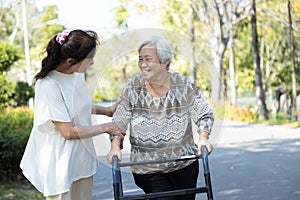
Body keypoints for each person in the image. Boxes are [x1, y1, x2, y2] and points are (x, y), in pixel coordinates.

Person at [20, 29, 125, 200]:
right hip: (62, 168)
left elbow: (77, 105)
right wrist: (105, 127)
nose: (92, 63)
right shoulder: (49, 85)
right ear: (71, 61)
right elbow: (67, 132)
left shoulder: (76, 76)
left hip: (82, 163)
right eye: (89, 59)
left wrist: (107, 111)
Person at [106, 36, 214, 200]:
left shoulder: (182, 84)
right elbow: (119, 120)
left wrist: (204, 137)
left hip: (184, 164)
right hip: (147, 168)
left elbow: (204, 112)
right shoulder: (133, 87)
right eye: (140, 59)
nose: (143, 64)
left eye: (148, 59)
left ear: (165, 61)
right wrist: (115, 146)